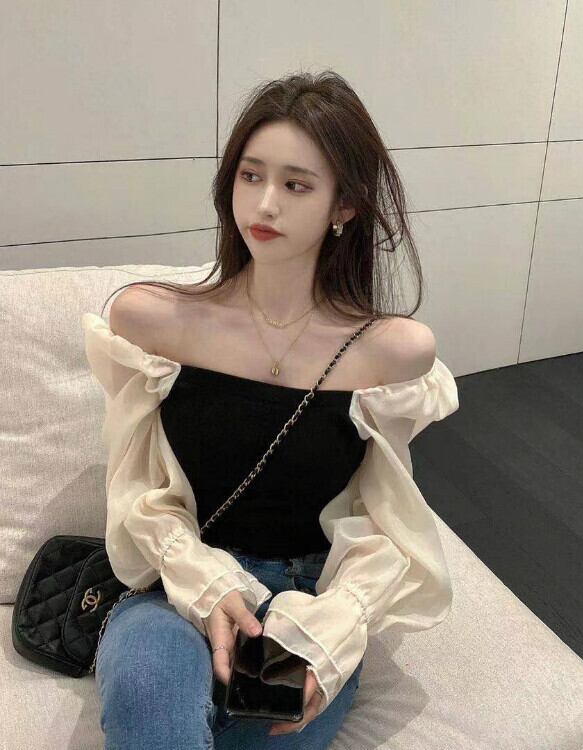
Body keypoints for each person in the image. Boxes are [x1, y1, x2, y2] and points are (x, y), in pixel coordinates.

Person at [82, 70, 460, 749]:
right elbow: (135, 487)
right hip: (179, 582)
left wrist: (335, 627)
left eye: (296, 185)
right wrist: (200, 580)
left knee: (263, 728)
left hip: (303, 607)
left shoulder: (388, 354)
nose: (265, 204)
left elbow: (386, 521)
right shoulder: (154, 322)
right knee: (148, 696)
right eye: (250, 175)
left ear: (345, 204)